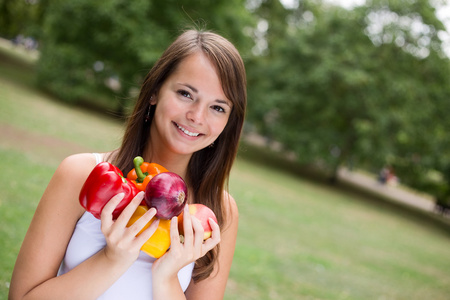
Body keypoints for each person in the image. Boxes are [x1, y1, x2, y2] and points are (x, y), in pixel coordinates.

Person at [9, 29, 246, 300]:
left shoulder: (218, 210)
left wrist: (167, 277)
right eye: (185, 93)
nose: (196, 116)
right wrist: (111, 259)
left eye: (217, 108)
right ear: (154, 91)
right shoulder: (81, 174)